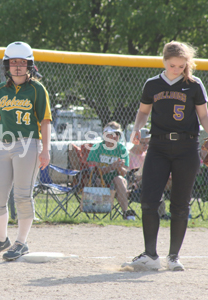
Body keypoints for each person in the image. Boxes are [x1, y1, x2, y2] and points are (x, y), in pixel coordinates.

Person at [123, 41, 208, 271]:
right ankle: (151, 255)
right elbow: (143, 111)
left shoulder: (194, 84)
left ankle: (173, 257)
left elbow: (204, 116)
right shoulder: (152, 84)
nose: (177, 69)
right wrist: (136, 127)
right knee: (149, 201)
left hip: (187, 148)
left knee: (180, 204)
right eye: (173, 65)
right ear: (164, 61)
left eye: (181, 66)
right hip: (158, 147)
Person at [0, 41, 52, 261]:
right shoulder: (0, 91)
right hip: (3, 145)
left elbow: (46, 121)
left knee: (22, 195)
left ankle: (22, 242)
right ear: (7, 66)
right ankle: (2, 240)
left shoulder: (38, 89)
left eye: (22, 62)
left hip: (28, 144)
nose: (18, 66)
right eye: (13, 62)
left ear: (29, 65)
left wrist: (45, 150)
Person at [87, 121, 134, 220]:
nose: (115, 136)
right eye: (112, 134)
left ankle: (126, 212)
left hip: (117, 181)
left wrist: (119, 167)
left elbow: (124, 173)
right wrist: (112, 167)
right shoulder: (97, 148)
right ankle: (103, 210)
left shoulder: (122, 149)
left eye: (117, 134)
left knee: (119, 179)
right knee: (100, 180)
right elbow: (93, 171)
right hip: (100, 180)